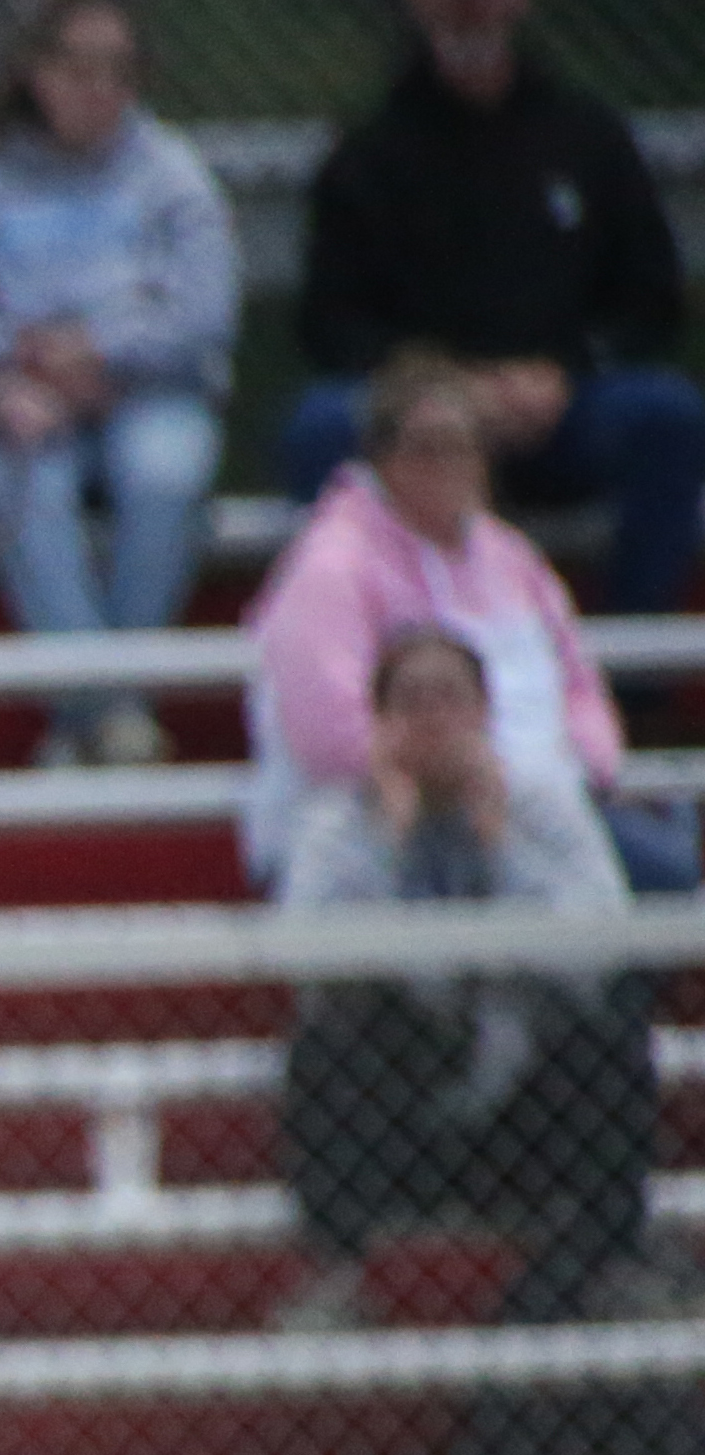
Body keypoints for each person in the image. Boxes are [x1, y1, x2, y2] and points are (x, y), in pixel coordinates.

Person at [273, 624, 676, 1333]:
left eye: (450, 697)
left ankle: (615, 1265)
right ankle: (335, 1277)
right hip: (404, 1113)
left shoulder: (541, 805)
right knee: (325, 1041)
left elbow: (599, 948)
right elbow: (307, 965)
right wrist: (388, 850)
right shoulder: (339, 820)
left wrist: (500, 849)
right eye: (410, 699)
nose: (432, 717)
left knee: (612, 1023)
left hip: (529, 1107)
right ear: (379, 719)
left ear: (484, 713)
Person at [0, 0, 236, 767]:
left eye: (119, 71)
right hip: (25, 397)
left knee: (165, 472)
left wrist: (104, 354)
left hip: (149, 391)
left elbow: (204, 311)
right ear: (34, 72)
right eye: (79, 69)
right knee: (23, 482)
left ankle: (86, 717)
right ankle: (113, 714)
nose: (100, 90)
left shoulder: (169, 173)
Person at [286, 0, 699, 627]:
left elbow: (651, 298)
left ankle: (627, 678)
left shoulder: (588, 133)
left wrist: (566, 370)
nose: (468, 11)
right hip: (421, 417)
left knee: (666, 415)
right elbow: (330, 322)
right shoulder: (367, 148)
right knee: (318, 429)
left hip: (565, 413)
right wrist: (440, 389)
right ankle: (389, 648)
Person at [246, 349, 691, 900]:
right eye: (426, 448)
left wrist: (584, 770)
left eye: (465, 446)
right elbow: (328, 734)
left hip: (537, 805)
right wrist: (454, 773)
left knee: (670, 874)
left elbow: (579, 685)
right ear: (382, 457)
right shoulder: (331, 566)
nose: (449, 465)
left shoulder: (512, 557)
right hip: (383, 811)